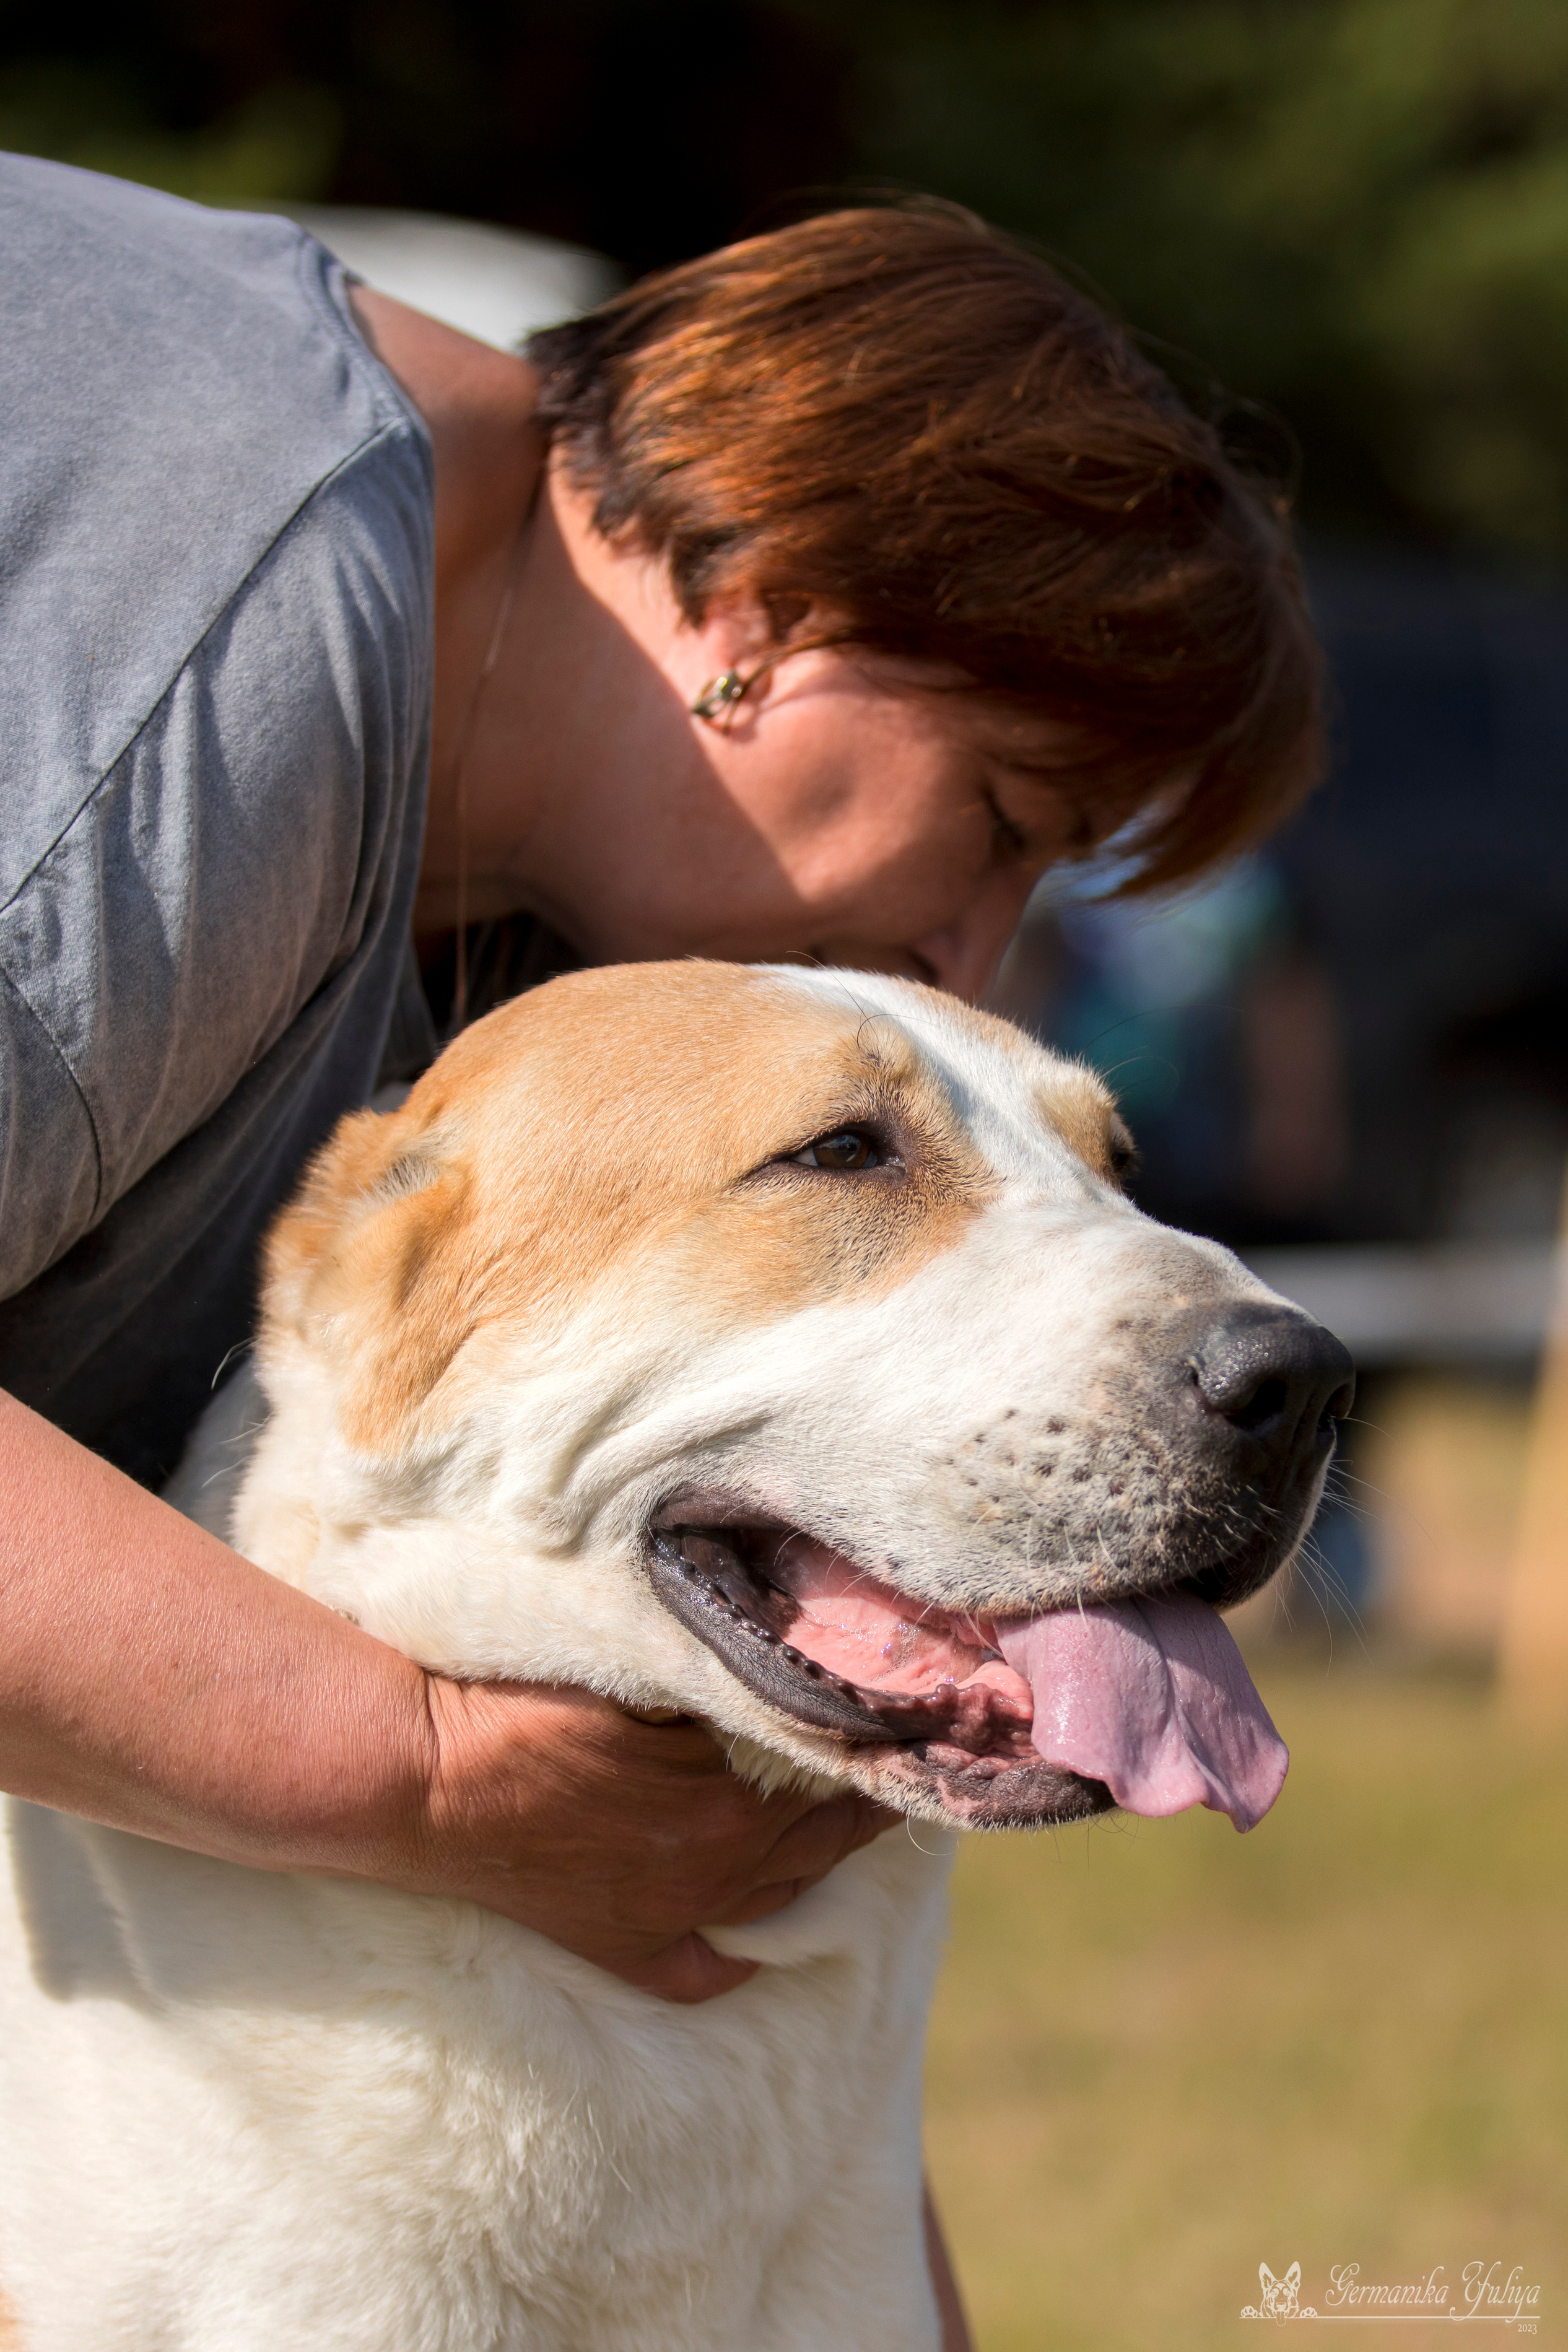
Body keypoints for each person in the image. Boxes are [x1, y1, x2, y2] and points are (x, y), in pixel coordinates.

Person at [0, 150, 1321, 2343]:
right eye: (997, 818)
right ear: (776, 605)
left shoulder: (536, 908)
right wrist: (422, 1776)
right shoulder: (232, 632)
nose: (968, 950)